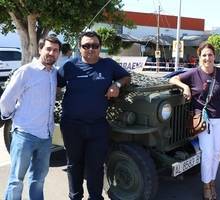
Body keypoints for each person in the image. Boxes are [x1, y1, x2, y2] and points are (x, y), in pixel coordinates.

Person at [57, 31, 131, 200]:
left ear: (100, 47)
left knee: (96, 166)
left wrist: (117, 84)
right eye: (86, 45)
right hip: (71, 125)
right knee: (74, 164)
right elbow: (54, 85)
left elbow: (126, 76)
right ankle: (75, 196)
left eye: (95, 45)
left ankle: (95, 197)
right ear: (79, 47)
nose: (90, 49)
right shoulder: (70, 66)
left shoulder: (109, 65)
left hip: (98, 126)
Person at [0, 35, 61, 200]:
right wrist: (11, 117)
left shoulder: (54, 74)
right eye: (48, 49)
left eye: (55, 50)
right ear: (40, 49)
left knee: (38, 180)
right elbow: (6, 100)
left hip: (45, 137)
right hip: (24, 135)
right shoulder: (26, 71)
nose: (51, 53)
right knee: (16, 181)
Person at [169, 42, 220, 200]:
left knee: (216, 153)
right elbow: (173, 79)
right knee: (208, 153)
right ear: (199, 57)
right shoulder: (193, 73)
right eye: (204, 55)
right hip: (203, 119)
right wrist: (185, 87)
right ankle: (206, 184)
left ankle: (212, 181)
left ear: (214, 56)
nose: (207, 58)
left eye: (210, 54)